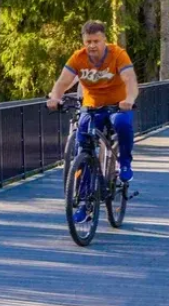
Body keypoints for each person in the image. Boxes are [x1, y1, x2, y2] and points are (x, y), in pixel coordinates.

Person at [47, 21, 138, 220]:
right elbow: (63, 81)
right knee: (83, 151)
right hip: (92, 108)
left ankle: (124, 163)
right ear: (83, 41)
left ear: (104, 39)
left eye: (96, 41)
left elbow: (130, 79)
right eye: (88, 41)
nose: (92, 45)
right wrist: (55, 97)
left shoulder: (117, 54)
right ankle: (85, 202)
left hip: (117, 105)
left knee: (122, 124)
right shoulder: (78, 58)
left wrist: (129, 100)